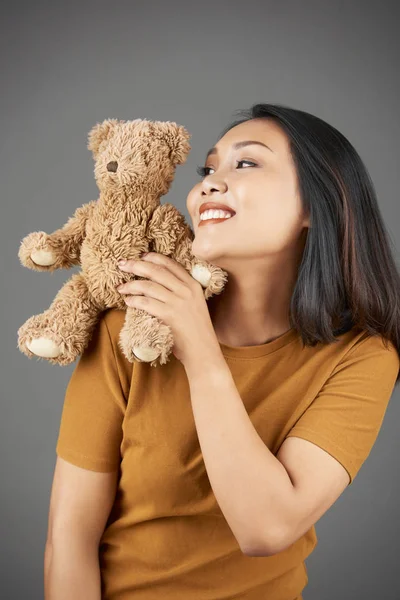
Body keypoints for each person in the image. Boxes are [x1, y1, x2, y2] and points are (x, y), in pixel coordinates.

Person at [44, 103, 400, 600]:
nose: (209, 183)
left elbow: (267, 529)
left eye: (246, 163)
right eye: (208, 169)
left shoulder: (362, 356)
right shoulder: (126, 330)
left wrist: (201, 352)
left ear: (317, 205)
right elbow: (69, 541)